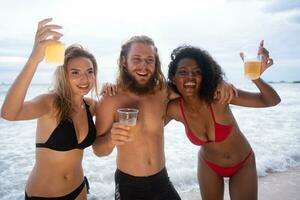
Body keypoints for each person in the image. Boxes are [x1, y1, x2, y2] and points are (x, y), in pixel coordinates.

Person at [92, 35, 236, 200]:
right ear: (124, 61)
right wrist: (111, 139)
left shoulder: (163, 92)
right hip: (129, 185)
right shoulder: (110, 99)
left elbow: (194, 85)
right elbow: (98, 149)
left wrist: (219, 81)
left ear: (156, 64)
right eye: (136, 59)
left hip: (161, 179)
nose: (144, 66)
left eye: (149, 60)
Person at [165, 41, 281, 200]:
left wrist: (255, 77)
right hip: (208, 165)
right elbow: (147, 127)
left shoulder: (219, 96)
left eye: (197, 72)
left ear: (204, 76)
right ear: (173, 77)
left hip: (242, 164)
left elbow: (271, 101)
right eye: (183, 71)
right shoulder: (174, 109)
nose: (190, 77)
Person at [1, 18, 98, 200]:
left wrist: (112, 90)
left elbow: (117, 110)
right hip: (43, 195)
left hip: (79, 190)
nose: (84, 79)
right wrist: (34, 60)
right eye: (75, 72)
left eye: (90, 71)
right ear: (64, 75)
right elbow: (9, 113)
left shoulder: (91, 106)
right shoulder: (50, 103)